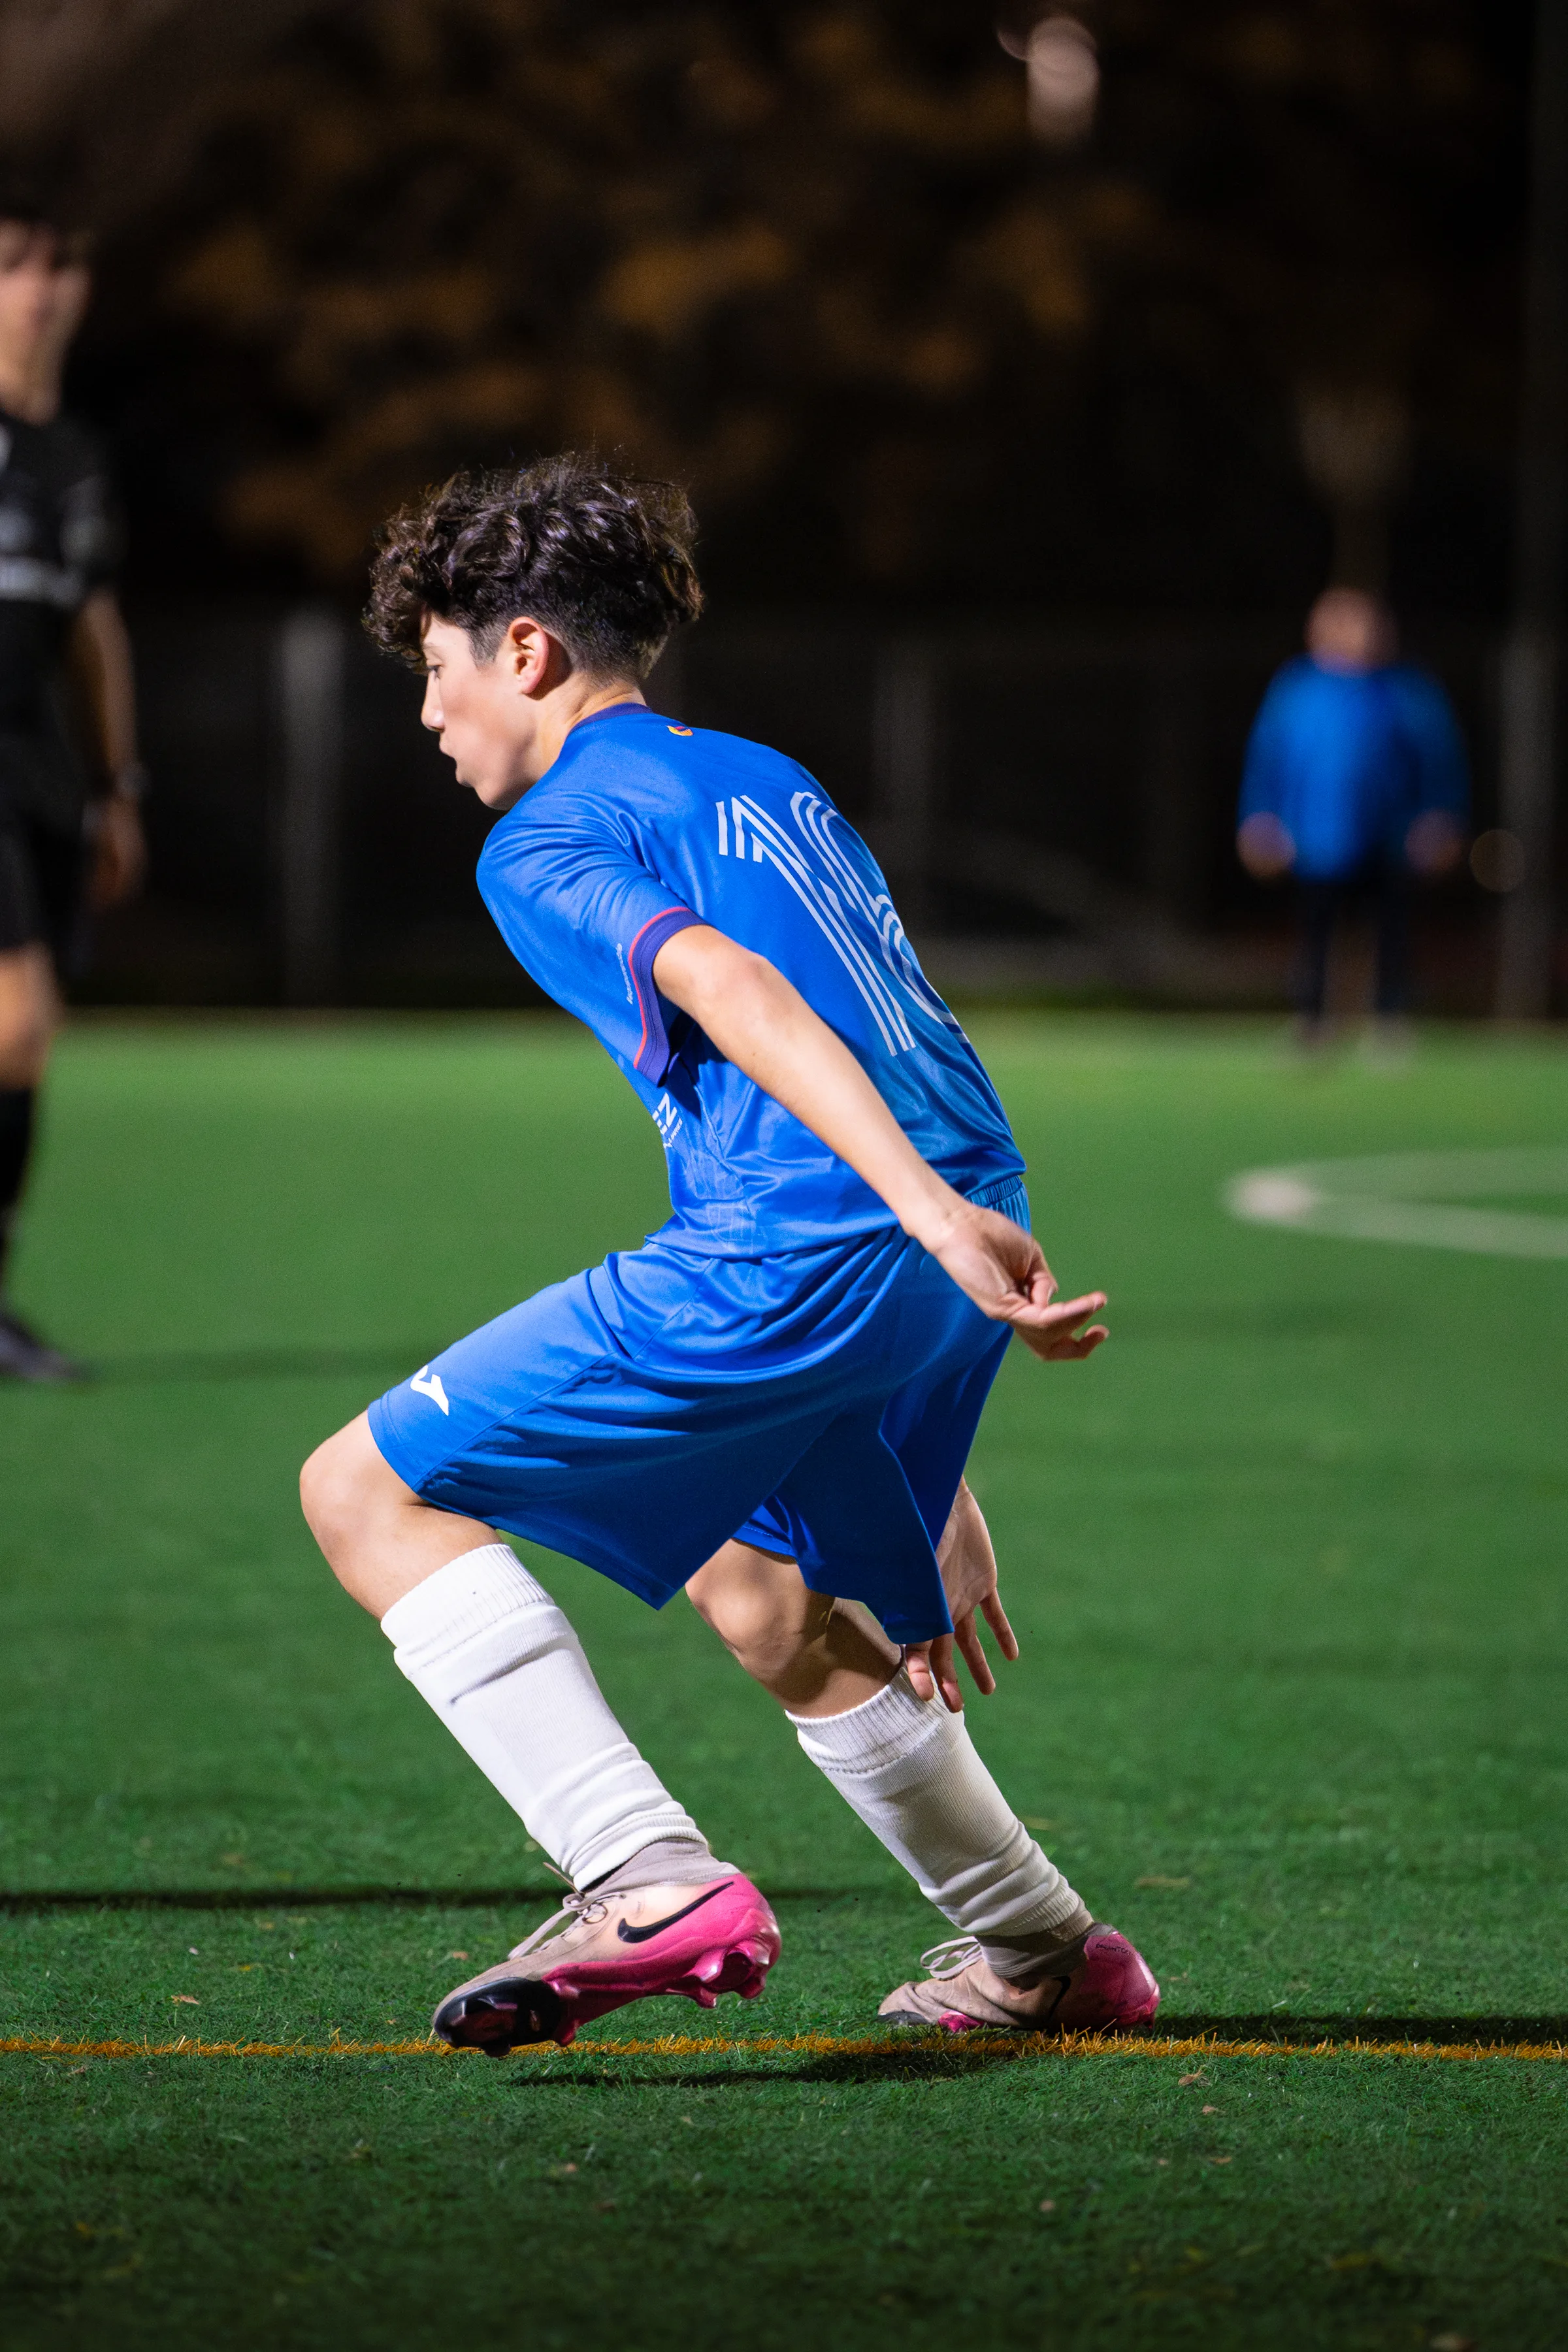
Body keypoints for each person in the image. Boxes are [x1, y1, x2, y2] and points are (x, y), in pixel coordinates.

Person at [300, 454, 1160, 2052]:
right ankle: (1043, 1949)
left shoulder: (540, 841)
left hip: (824, 1241)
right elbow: (887, 1016)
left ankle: (636, 1874)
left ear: (529, 655)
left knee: (360, 1490)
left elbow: (734, 995)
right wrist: (923, 1389)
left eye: (435, 669)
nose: (427, 713)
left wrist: (902, 1236)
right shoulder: (763, 776)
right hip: (954, 1208)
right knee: (763, 1589)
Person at [0, 191, 146, 1379]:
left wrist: (115, 784)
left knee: (26, 1046)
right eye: (14, 266)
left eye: (63, 266)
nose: (42, 291)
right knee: (13, 1023)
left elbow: (95, 628)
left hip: (40, 775)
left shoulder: (75, 458)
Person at [1237, 586, 1468, 1036]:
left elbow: (1441, 761)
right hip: (1315, 841)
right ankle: (1312, 1018)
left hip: (1389, 838)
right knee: (1316, 931)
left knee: (1390, 930)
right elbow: (1267, 760)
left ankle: (1389, 1016)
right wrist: (1259, 818)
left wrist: (1441, 817)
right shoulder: (1296, 691)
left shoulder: (1407, 691)